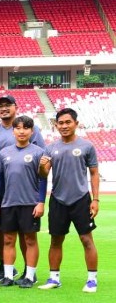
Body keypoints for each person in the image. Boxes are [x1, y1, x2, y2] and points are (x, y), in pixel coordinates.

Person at [0, 95, 46, 282]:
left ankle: (29, 273)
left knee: (28, 236)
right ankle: (6, 271)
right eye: (0, 106)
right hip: (5, 196)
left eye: (8, 105)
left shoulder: (35, 143)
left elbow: (43, 172)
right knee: (3, 233)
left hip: (28, 196)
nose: (21, 132)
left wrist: (41, 201)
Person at [39, 108, 100, 293]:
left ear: (76, 124)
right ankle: (54, 278)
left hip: (81, 199)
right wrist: (42, 167)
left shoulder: (87, 146)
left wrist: (95, 199)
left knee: (86, 239)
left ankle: (92, 280)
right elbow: (43, 174)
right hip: (58, 199)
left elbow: (94, 173)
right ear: (56, 125)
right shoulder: (51, 148)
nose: (64, 126)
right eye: (61, 123)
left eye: (68, 122)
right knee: (56, 240)